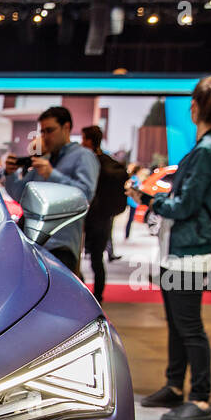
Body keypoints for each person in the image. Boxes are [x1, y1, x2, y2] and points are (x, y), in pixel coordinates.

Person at [136, 72, 211, 420]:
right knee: (180, 325)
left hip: (190, 255)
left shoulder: (208, 149)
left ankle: (201, 398)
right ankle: (175, 386)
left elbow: (185, 205)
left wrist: (151, 200)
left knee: (189, 326)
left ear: (195, 108)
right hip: (182, 252)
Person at [3, 106, 99, 277]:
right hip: (33, 244)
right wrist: (10, 175)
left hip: (61, 246)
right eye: (43, 131)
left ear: (66, 127)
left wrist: (51, 174)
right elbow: (22, 195)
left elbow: (85, 195)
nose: (45, 136)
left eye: (50, 130)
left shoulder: (83, 156)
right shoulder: (45, 159)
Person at [81, 125, 129, 303]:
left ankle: (91, 297)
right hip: (102, 219)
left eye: (84, 139)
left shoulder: (90, 163)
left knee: (90, 261)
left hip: (89, 219)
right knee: (96, 260)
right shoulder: (110, 163)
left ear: (90, 141)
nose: (82, 143)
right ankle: (97, 297)